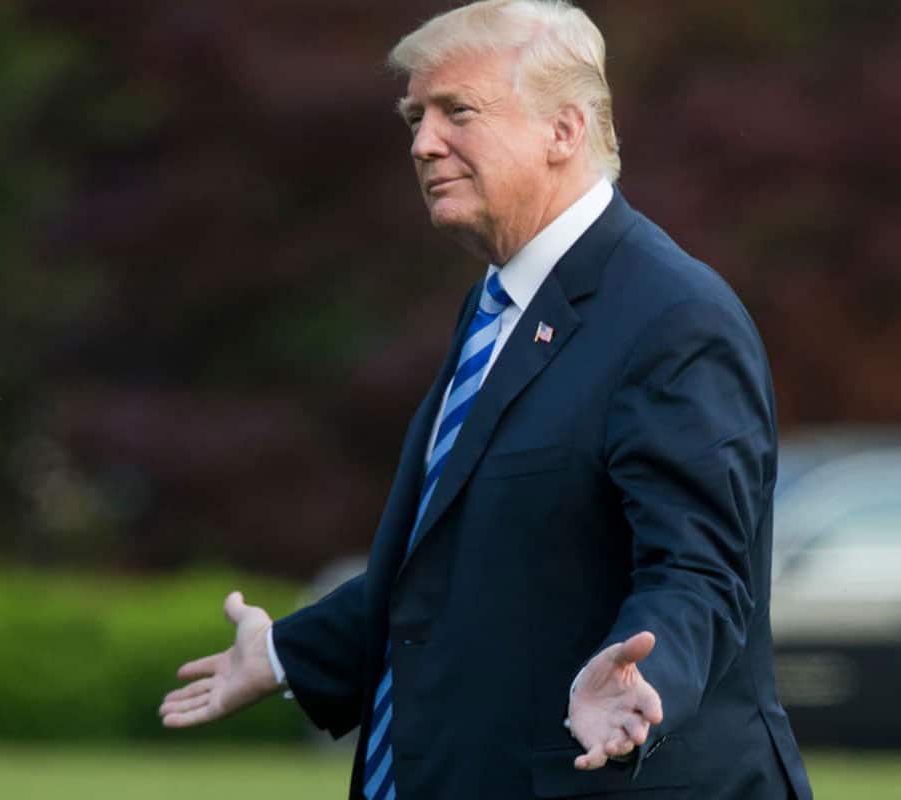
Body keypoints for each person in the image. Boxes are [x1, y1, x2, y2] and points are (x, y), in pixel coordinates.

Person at [158, 2, 812, 798]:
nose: (423, 142)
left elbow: (699, 571)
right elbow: (465, 562)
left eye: (456, 111)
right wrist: (286, 655)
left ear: (564, 131)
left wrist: (648, 680)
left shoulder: (675, 318)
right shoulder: (498, 308)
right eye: (415, 116)